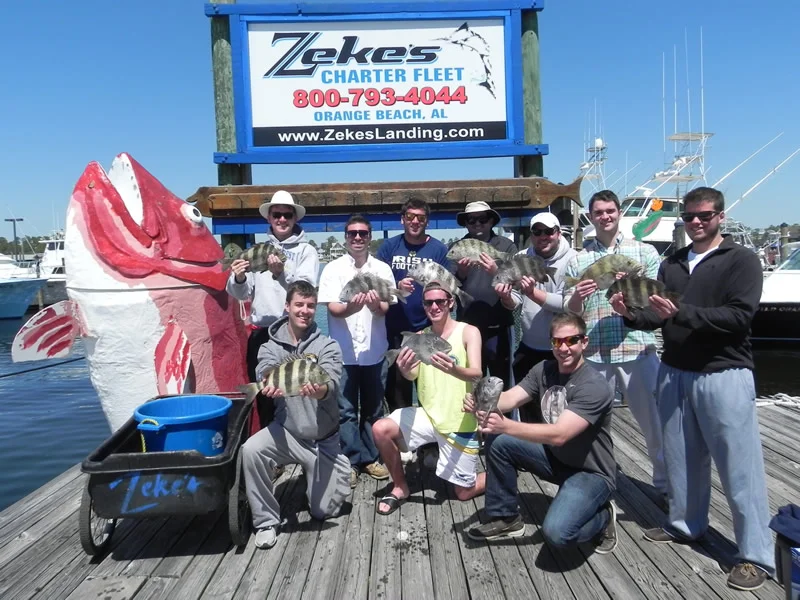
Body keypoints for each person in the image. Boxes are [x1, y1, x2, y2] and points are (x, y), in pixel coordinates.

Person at [609, 186, 775, 591]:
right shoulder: (674, 264)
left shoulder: (741, 260)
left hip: (723, 373)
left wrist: (681, 311)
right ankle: (686, 525)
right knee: (681, 459)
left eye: (704, 215)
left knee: (740, 469)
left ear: (721, 216)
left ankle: (756, 556)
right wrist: (630, 314)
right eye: (689, 216)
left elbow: (738, 317)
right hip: (674, 371)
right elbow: (657, 319)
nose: (696, 222)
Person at [465, 313, 617, 553]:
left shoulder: (594, 386)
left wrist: (506, 425)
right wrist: (480, 403)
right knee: (500, 440)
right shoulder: (543, 370)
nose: (564, 348)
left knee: (557, 534)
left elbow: (560, 434)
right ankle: (505, 518)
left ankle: (603, 517)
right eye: (558, 342)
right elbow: (510, 399)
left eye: (572, 340)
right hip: (555, 458)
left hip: (590, 472)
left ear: (584, 342)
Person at [564, 190, 666, 497]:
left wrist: (629, 288)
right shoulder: (579, 259)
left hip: (638, 347)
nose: (605, 216)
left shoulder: (645, 253)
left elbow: (653, 301)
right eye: (599, 212)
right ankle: (595, 483)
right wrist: (578, 295)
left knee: (654, 423)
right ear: (591, 217)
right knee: (590, 427)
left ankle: (666, 488)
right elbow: (572, 311)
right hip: (594, 353)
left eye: (610, 211)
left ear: (618, 213)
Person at [241, 280, 350, 549]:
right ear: (287, 306)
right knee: (251, 449)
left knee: (324, 512)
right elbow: (265, 370)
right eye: (299, 304)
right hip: (288, 434)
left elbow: (332, 384)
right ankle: (266, 521)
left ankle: (336, 467)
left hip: (323, 439)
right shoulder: (269, 345)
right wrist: (267, 382)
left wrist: (319, 390)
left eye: (311, 305)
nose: (305, 310)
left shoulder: (327, 345)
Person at [372, 282, 485, 515]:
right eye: (428, 302)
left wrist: (453, 369)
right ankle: (400, 487)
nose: (434, 306)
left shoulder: (469, 331)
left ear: (451, 303)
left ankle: (499, 472)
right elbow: (412, 373)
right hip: (428, 416)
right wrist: (403, 369)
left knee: (463, 493)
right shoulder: (420, 336)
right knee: (380, 429)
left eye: (440, 301)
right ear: (424, 306)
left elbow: (477, 373)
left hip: (460, 420)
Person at [318, 215, 394, 488]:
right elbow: (334, 309)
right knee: (346, 410)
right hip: (343, 353)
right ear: (346, 238)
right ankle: (350, 460)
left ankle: (371, 457)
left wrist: (374, 305)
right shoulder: (332, 269)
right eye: (353, 233)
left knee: (374, 409)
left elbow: (386, 307)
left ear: (370, 236)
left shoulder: (383, 269)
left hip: (375, 351)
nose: (358, 238)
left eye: (363, 233)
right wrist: (354, 306)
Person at [226, 190, 320, 383]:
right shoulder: (255, 249)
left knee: (296, 391)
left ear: (295, 218)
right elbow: (241, 293)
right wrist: (240, 277)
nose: (282, 219)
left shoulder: (307, 251)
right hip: (261, 333)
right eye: (277, 215)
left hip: (295, 333)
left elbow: (306, 291)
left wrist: (280, 273)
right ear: (269, 218)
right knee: (264, 393)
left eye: (288, 215)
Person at [377, 198, 450, 411]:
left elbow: (447, 286)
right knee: (398, 393)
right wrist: (396, 287)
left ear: (427, 221)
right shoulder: (389, 247)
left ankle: (431, 442)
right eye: (410, 216)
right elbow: (378, 284)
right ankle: (403, 442)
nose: (415, 221)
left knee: (431, 389)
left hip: (427, 329)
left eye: (420, 217)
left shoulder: (438, 249)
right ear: (402, 220)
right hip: (394, 331)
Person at [508, 212, 576, 420]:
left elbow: (568, 305)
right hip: (528, 348)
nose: (543, 236)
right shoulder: (520, 258)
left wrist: (534, 293)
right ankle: (530, 448)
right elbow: (515, 300)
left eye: (548, 231)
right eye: (537, 232)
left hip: (562, 349)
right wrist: (505, 296)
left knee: (560, 410)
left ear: (558, 233)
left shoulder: (574, 259)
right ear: (531, 234)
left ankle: (559, 450)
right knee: (529, 409)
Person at [452, 201, 517, 383]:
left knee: (500, 381)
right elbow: (449, 286)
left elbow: (517, 281)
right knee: (469, 383)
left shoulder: (507, 246)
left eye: (483, 218)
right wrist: (461, 273)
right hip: (467, 327)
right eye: (471, 220)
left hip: (499, 327)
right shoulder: (457, 247)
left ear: (491, 221)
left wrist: (497, 271)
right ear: (465, 223)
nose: (477, 223)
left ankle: (500, 412)